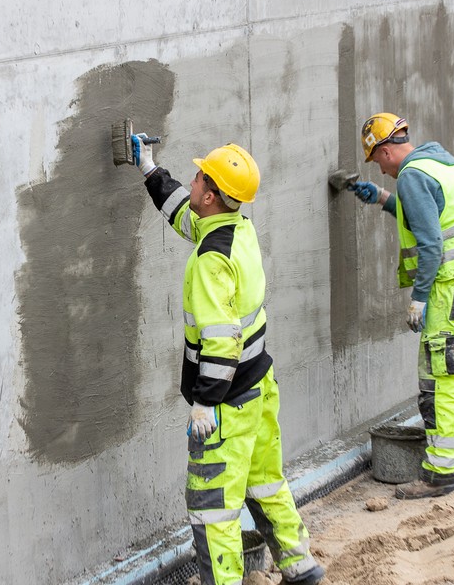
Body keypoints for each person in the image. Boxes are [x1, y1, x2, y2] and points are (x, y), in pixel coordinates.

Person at [129, 135, 325, 584]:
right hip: (258, 387)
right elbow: (185, 214)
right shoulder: (237, 229)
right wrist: (150, 171)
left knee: (212, 505)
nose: (194, 181)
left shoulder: (209, 262)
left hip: (228, 401)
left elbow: (220, 341)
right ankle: (301, 566)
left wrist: (205, 403)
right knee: (265, 482)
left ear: (211, 194)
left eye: (199, 177)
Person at [349, 113, 454, 500]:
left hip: (450, 288)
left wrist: (419, 297)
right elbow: (426, 212)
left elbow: (432, 243)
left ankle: (441, 472)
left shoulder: (412, 175)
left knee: (441, 377)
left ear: (385, 150)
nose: (380, 170)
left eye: (377, 161)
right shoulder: (437, 162)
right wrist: (383, 200)